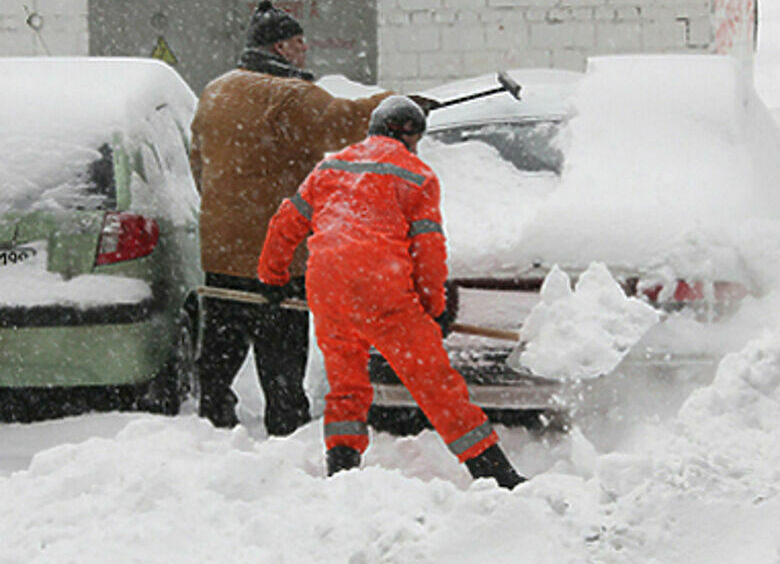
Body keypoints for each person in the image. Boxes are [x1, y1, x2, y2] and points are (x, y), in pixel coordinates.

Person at [257, 96, 526, 489]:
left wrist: (272, 278)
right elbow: (428, 250)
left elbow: (286, 224)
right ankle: (495, 472)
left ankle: (342, 468)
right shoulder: (417, 176)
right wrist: (434, 307)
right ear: (412, 137)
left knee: (345, 384)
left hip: (327, 287)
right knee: (436, 386)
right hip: (382, 289)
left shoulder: (330, 167)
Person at [189, 0, 392, 433]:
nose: (305, 51)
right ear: (280, 47)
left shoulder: (217, 90)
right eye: (300, 43)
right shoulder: (288, 95)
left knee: (222, 342)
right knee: (280, 346)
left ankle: (212, 421)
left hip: (222, 249)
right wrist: (394, 106)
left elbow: (198, 164)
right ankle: (286, 425)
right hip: (276, 253)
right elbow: (344, 121)